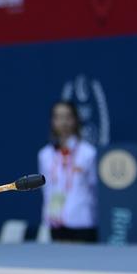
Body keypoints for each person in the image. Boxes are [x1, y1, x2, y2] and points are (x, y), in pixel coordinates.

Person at [37, 100, 98, 242]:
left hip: (82, 221)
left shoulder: (88, 153)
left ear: (76, 120)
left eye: (68, 117)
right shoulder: (45, 155)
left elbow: (94, 187)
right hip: (55, 221)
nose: (63, 122)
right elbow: (46, 189)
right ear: (53, 121)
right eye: (58, 117)